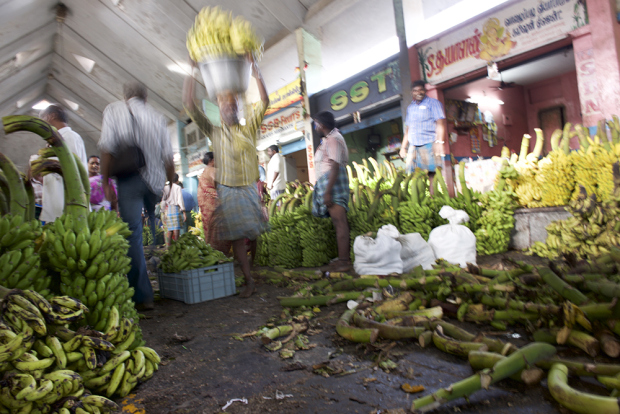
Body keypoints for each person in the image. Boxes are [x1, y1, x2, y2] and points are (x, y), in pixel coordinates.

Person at [183, 54, 269, 298]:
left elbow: (265, 100)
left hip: (249, 189)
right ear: (218, 111)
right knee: (239, 238)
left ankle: (251, 271)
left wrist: (255, 68)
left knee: (253, 235)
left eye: (233, 105)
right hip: (229, 193)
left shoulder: (249, 127)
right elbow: (189, 104)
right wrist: (191, 70)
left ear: (238, 108)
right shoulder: (215, 133)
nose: (229, 108)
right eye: (223, 105)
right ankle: (249, 278)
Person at [99, 81, 175, 311]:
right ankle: (159, 261)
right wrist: (170, 181)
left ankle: (143, 296)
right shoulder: (158, 118)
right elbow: (168, 158)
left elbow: (107, 148)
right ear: (146, 97)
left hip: (130, 180)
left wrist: (104, 181)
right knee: (153, 224)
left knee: (132, 234)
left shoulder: (114, 110)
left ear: (126, 96)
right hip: (154, 183)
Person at [311, 111, 352, 273]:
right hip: (330, 183)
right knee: (337, 223)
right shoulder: (329, 139)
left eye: (316, 124)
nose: (315, 127)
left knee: (340, 222)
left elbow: (334, 166)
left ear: (321, 125)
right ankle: (342, 259)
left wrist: (327, 192)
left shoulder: (334, 139)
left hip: (333, 184)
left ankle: (344, 261)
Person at [39, 104, 88, 223]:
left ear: (51, 116)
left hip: (66, 202)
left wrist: (41, 166)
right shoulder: (56, 139)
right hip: (55, 202)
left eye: (43, 120)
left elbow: (71, 170)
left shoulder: (69, 137)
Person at [399, 80, 446, 176]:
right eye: (415, 91)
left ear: (425, 90)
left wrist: (439, 142)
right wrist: (403, 147)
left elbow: (440, 124)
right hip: (413, 146)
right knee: (412, 176)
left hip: (428, 144)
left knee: (432, 175)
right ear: (412, 92)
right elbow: (408, 129)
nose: (418, 93)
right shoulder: (410, 108)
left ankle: (433, 191)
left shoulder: (433, 103)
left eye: (421, 90)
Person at [197, 152, 231, 254]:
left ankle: (212, 252)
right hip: (216, 207)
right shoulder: (213, 170)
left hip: (207, 209)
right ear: (212, 160)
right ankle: (221, 253)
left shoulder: (204, 172)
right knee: (220, 231)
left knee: (210, 231)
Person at [161, 173, 185, 244]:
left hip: (168, 210)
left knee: (170, 230)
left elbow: (163, 200)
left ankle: (169, 247)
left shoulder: (165, 188)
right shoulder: (177, 187)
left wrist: (162, 211)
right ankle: (177, 246)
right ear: (177, 180)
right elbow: (180, 200)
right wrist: (183, 212)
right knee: (176, 229)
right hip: (175, 209)